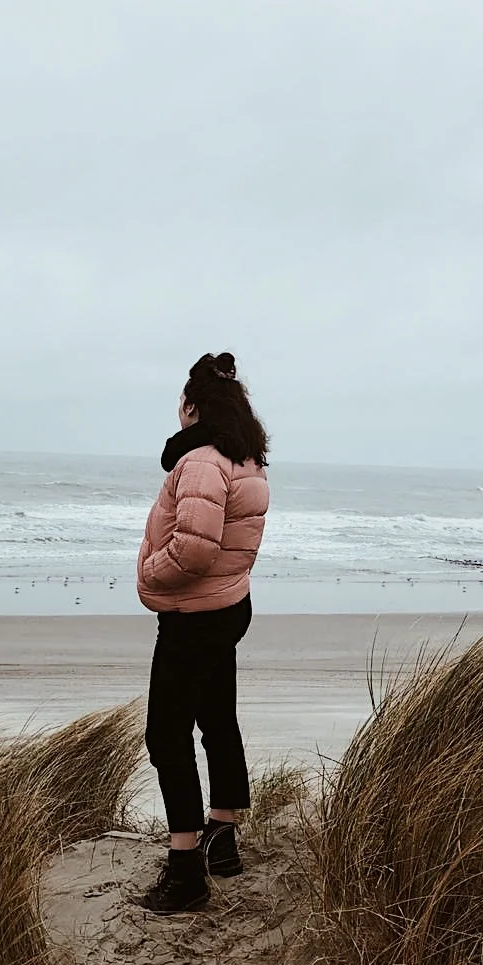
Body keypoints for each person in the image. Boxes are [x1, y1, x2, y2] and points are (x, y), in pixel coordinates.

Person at [135, 351, 270, 913]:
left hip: (194, 615)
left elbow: (194, 546)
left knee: (166, 735)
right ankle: (223, 837)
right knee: (216, 718)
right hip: (228, 606)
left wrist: (149, 572)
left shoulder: (201, 462)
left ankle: (185, 866)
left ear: (192, 406)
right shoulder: (247, 461)